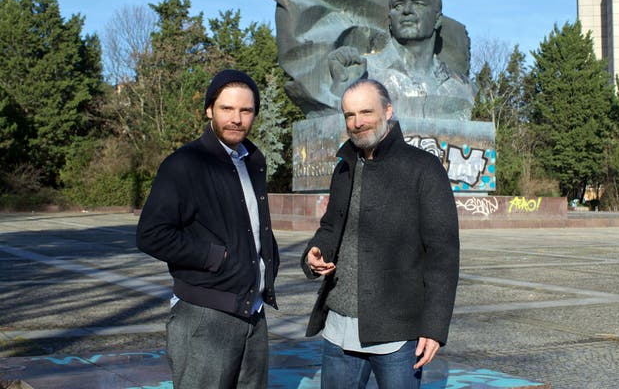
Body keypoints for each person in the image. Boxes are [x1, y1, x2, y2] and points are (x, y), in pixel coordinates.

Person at [301, 79, 460, 388]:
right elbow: (331, 225)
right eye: (349, 115)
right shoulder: (344, 167)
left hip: (397, 335)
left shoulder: (423, 168)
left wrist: (434, 327)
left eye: (365, 112)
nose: (357, 122)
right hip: (338, 328)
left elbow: (443, 254)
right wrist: (315, 251)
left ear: (388, 111)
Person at [137, 69, 279, 389]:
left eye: (246, 110)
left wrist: (268, 258)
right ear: (209, 110)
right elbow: (151, 234)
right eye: (227, 109)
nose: (237, 118)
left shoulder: (253, 160)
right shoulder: (185, 163)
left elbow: (253, 225)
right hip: (205, 317)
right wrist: (217, 257)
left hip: (253, 313)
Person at [329, 0, 475, 120]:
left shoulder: (464, 88)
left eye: (418, 4)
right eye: (398, 6)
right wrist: (341, 89)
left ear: (437, 19)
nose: (406, 11)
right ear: (390, 20)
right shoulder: (363, 73)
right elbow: (334, 129)